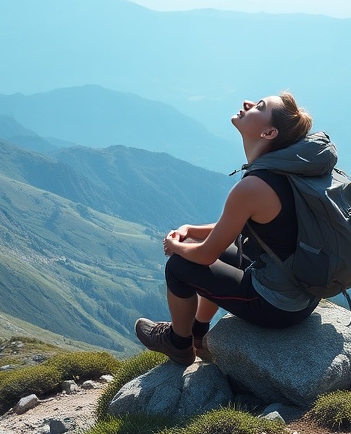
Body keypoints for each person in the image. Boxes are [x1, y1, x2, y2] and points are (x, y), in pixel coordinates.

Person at [134, 92, 322, 365]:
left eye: (259, 106)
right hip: (302, 292)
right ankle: (198, 333)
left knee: (178, 267)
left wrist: (176, 246)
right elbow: (235, 228)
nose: (248, 103)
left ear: (269, 132)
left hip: (278, 306)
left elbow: (205, 256)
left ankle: (179, 344)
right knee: (231, 251)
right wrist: (190, 229)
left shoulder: (254, 186)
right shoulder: (287, 168)